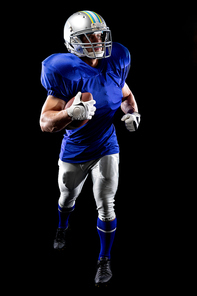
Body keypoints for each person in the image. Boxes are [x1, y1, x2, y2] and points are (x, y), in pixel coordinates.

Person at [40, 10, 140, 287]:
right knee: (67, 196)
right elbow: (45, 122)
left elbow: (126, 94)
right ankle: (62, 227)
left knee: (107, 205)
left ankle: (104, 259)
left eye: (99, 34)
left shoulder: (116, 60)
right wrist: (69, 114)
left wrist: (132, 112)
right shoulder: (63, 69)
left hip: (107, 144)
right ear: (72, 41)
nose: (97, 40)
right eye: (88, 36)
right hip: (75, 148)